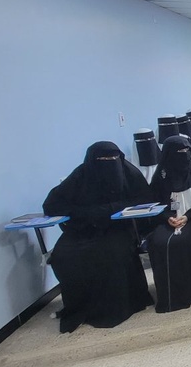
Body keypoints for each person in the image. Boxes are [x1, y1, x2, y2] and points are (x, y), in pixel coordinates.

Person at [42, 141, 155, 332]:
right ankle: (79, 306)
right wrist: (86, 213)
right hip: (83, 228)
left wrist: (108, 209)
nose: (109, 163)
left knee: (108, 253)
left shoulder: (128, 173)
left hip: (118, 227)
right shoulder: (80, 176)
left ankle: (116, 306)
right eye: (103, 159)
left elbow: (145, 198)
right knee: (63, 256)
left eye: (113, 158)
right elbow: (51, 205)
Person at [146, 136, 191, 313]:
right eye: (179, 152)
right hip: (168, 220)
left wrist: (187, 216)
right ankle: (170, 296)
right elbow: (155, 202)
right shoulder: (161, 175)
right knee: (158, 242)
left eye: (186, 151)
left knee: (185, 241)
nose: (184, 155)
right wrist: (167, 217)